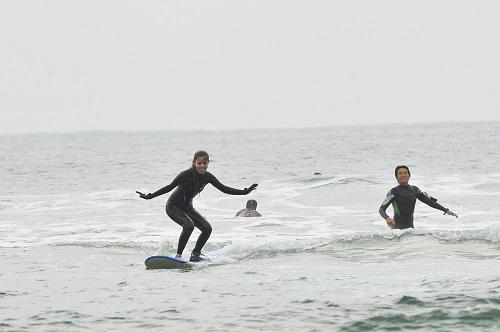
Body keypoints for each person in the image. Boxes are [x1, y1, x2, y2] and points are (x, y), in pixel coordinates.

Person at [137, 151, 258, 262]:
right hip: (173, 206)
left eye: (204, 163)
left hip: (187, 207)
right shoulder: (185, 174)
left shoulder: (208, 177)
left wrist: (244, 192)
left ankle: (195, 254)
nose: (202, 166)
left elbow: (224, 189)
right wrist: (150, 196)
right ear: (194, 163)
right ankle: (178, 256)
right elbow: (169, 187)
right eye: (199, 163)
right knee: (189, 225)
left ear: (208, 164)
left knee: (207, 228)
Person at [379, 165, 458, 229]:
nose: (403, 175)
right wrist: (387, 218)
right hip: (397, 231)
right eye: (400, 173)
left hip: (410, 230)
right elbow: (381, 209)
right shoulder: (393, 192)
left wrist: (446, 210)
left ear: (409, 175)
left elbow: (429, 202)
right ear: (396, 177)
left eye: (405, 173)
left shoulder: (415, 190)